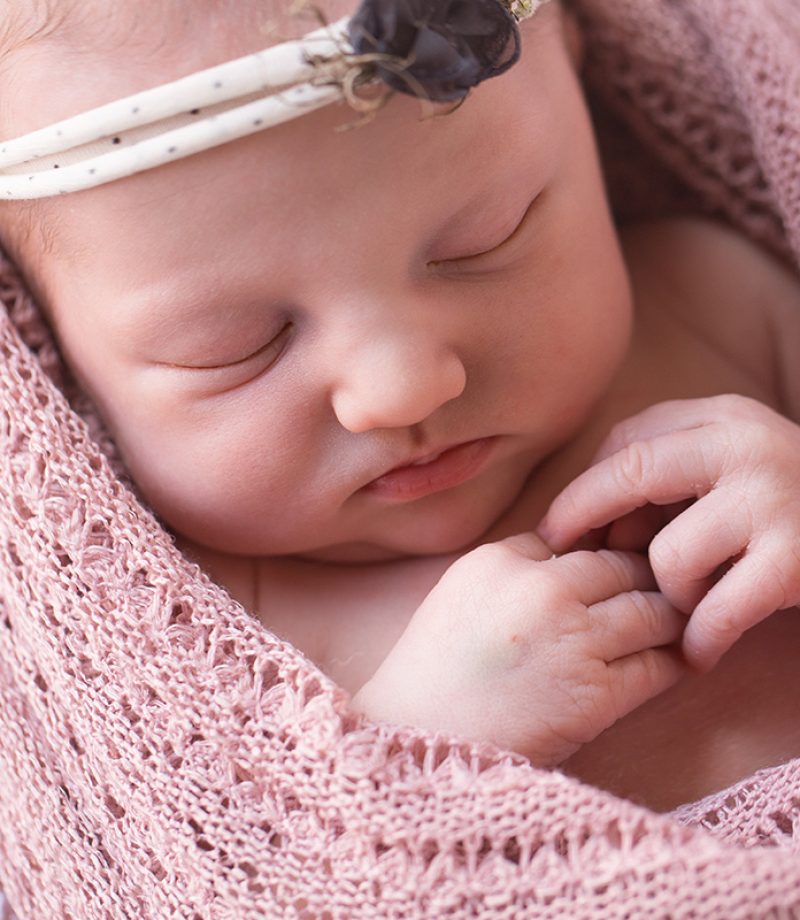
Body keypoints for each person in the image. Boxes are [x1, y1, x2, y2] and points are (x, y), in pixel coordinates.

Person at [1, 0, 800, 813]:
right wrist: (415, 755)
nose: (403, 387)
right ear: (58, 344)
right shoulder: (178, 628)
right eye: (237, 344)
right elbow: (224, 877)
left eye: (485, 240)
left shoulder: (720, 313)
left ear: (581, 79)